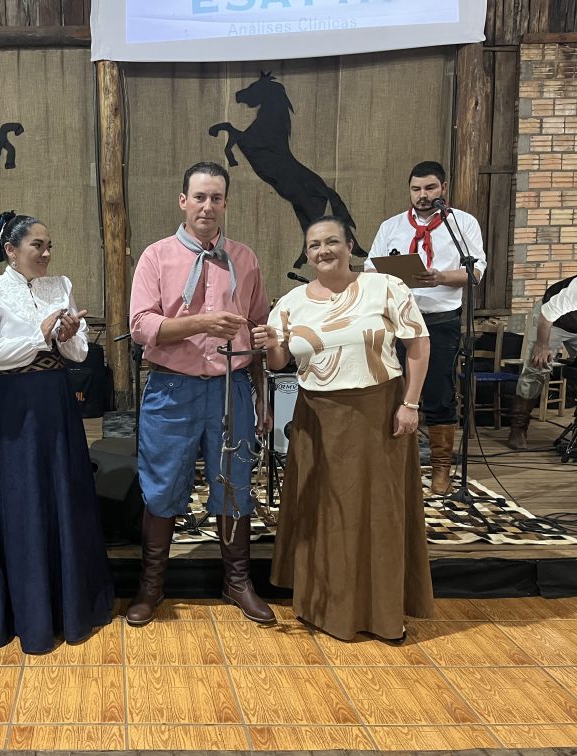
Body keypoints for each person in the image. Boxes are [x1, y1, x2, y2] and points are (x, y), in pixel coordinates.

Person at [254, 216, 434, 643]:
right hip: (317, 418)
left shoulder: (385, 287)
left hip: (378, 412)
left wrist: (410, 403)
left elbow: (418, 344)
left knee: (378, 511)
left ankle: (383, 613)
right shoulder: (290, 303)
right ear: (307, 253)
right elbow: (279, 363)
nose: (324, 251)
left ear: (350, 245)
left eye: (332, 241)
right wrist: (272, 345)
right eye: (314, 245)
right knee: (324, 513)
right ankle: (324, 607)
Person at [127, 160, 275, 628]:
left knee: (234, 482)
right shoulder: (156, 256)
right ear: (183, 201)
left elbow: (258, 326)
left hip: (233, 387)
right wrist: (201, 324)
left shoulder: (245, 258)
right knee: (163, 485)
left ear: (225, 203)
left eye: (216, 198)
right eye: (199, 197)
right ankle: (152, 585)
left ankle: (237, 580)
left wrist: (262, 392)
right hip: (172, 388)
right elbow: (140, 326)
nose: (207, 206)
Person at [0, 211, 114, 654]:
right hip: (8, 404)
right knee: (18, 497)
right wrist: (38, 335)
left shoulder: (60, 285)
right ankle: (24, 608)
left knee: (60, 493)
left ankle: (68, 603)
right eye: (37, 246)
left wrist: (68, 335)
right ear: (11, 250)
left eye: (49, 246)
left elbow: (78, 353)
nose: (46, 254)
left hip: (53, 400)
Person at [366, 161, 487, 495]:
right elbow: (369, 268)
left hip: (439, 320)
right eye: (416, 189)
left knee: (439, 394)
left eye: (430, 188)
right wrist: (390, 275)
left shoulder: (461, 224)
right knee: (390, 392)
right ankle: (391, 465)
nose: (422, 195)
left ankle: (441, 469)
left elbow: (475, 272)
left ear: (443, 189)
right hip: (396, 321)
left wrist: (441, 277)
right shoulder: (392, 226)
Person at [509, 271, 577, 449]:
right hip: (552, 322)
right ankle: (518, 428)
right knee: (537, 367)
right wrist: (542, 345)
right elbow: (547, 314)